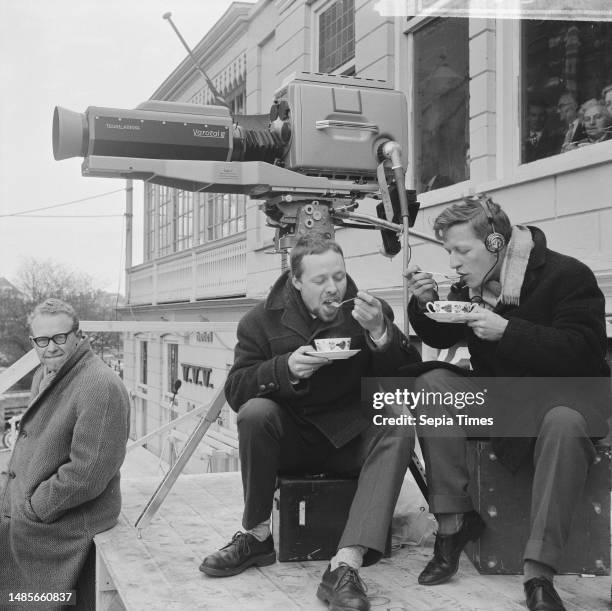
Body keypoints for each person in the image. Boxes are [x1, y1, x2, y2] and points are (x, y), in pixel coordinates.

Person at [404, 196, 609, 611]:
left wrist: (508, 332)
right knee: (429, 382)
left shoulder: (568, 275)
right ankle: (454, 520)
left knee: (565, 424)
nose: (455, 262)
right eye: (449, 252)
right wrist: (425, 302)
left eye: (463, 250)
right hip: (503, 402)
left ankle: (538, 573)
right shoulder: (471, 287)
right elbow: (443, 336)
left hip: (563, 401)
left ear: (496, 242)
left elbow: (586, 350)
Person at [199, 235, 420, 611]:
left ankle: (345, 564)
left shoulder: (367, 310)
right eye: (320, 281)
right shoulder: (259, 321)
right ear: (296, 281)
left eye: (339, 276)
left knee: (398, 422)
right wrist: (283, 369)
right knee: (255, 412)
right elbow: (236, 390)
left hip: (350, 436)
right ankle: (256, 535)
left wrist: (381, 332)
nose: (334, 289)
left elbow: (403, 378)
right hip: (292, 438)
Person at [0, 298, 130, 610]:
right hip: (36, 500)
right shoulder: (45, 373)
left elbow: (88, 473)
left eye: (60, 337)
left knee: (28, 592)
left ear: (77, 335)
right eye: (41, 340)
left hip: (66, 513)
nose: (51, 347)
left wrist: (35, 507)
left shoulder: (99, 385)